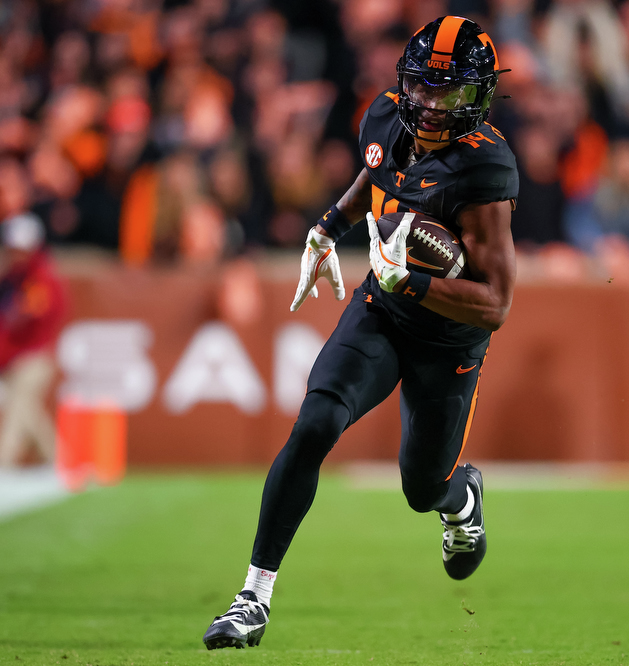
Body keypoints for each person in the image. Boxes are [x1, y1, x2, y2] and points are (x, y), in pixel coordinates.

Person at [203, 16, 518, 650]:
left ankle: (461, 500)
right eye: (423, 86)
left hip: (448, 341)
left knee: (422, 488)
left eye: (449, 92)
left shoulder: (485, 169)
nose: (431, 104)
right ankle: (253, 597)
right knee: (317, 420)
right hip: (383, 310)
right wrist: (327, 227)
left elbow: (494, 304)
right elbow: (375, 179)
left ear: (478, 96)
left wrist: (414, 283)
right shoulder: (385, 118)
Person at [0, 213, 69, 468]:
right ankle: (59, 458)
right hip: (10, 358)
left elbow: (36, 320)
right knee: (26, 410)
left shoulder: (41, 279)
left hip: (33, 355)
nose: (15, 255)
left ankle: (0, 460)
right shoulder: (6, 281)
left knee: (17, 403)